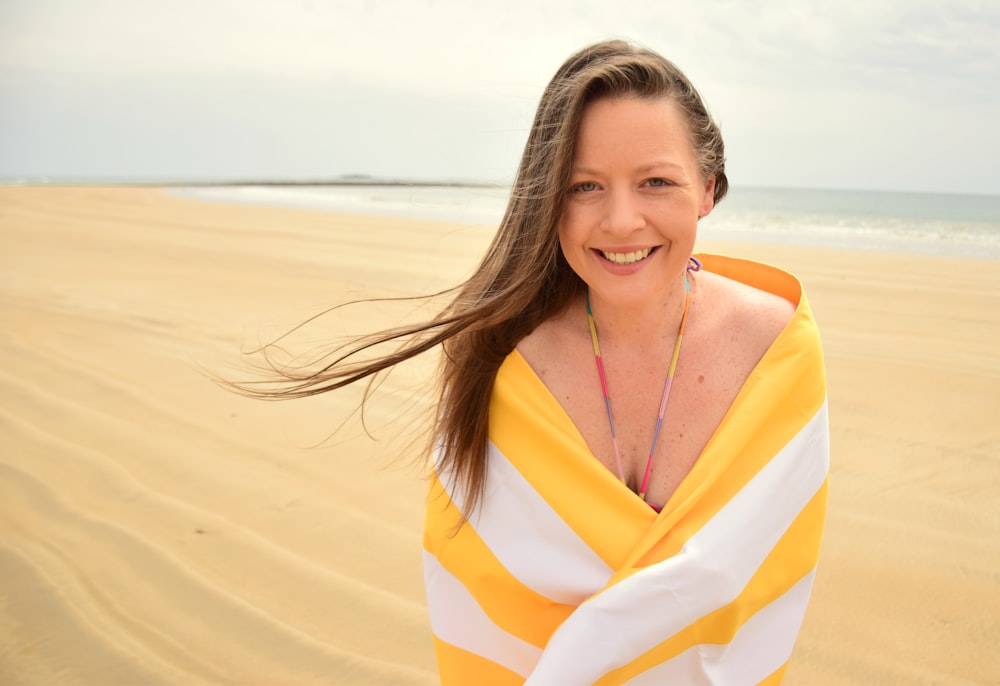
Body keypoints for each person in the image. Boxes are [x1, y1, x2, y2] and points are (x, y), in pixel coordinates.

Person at [243, 40, 829, 685]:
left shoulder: (775, 349)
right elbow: (471, 602)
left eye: (656, 181)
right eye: (585, 187)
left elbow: (771, 592)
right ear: (547, 198)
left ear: (708, 190)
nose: (621, 219)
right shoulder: (500, 361)